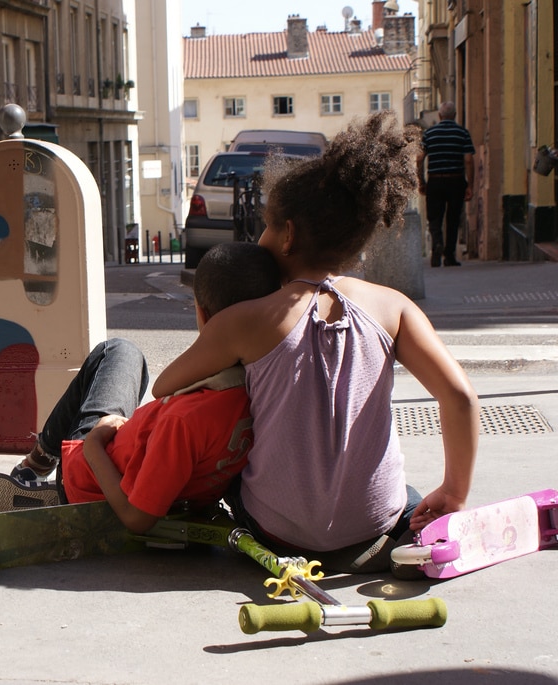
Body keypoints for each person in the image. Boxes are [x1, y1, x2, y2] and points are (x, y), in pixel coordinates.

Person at [152, 112, 480, 574]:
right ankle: (414, 527)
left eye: (265, 226)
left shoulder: (245, 321)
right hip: (372, 524)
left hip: (277, 531)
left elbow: (164, 387)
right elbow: (461, 397)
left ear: (287, 235)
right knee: (409, 494)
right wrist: (454, 491)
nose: (259, 237)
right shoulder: (393, 306)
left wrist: (216, 334)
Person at [0, 242, 282, 534]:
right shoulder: (269, 392)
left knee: (118, 351)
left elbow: (138, 518)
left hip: (87, 476)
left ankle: (42, 463)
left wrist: (95, 444)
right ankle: (43, 464)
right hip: (148, 468)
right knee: (123, 360)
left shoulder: (184, 419)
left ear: (201, 313)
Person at [417, 101, 475, 267]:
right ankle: (449, 255)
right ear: (455, 116)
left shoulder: (430, 134)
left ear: (440, 116)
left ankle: (436, 243)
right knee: (453, 218)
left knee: (434, 217)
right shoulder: (462, 133)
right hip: (456, 180)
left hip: (435, 180)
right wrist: (470, 185)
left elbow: (420, 158)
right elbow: (469, 159)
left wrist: (421, 181)